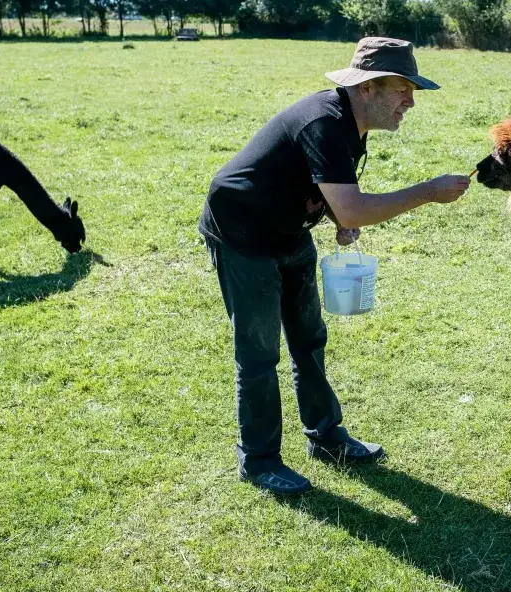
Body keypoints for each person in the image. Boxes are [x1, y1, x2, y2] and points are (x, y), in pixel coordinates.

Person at [199, 37, 471, 495]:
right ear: (367, 88)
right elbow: (353, 208)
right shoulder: (324, 122)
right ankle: (259, 461)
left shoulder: (353, 125)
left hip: (290, 230)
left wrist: (334, 215)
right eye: (403, 89)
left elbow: (326, 186)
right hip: (243, 235)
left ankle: (325, 437)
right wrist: (427, 192)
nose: (410, 101)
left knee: (309, 339)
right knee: (259, 353)